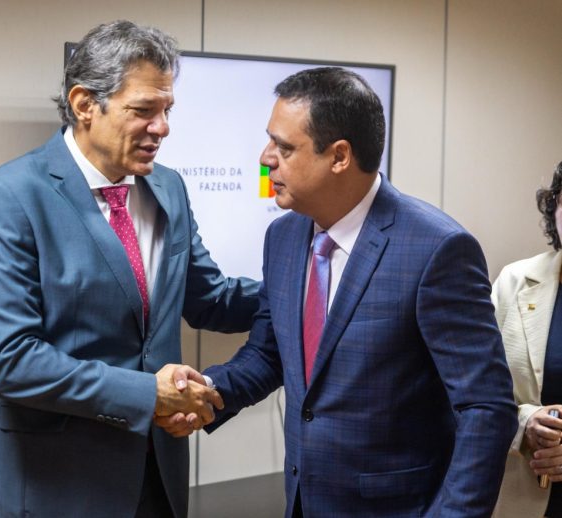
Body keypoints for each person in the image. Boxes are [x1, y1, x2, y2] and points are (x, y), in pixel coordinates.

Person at [159, 67, 517, 517]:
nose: (266, 158)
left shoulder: (437, 249)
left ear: (340, 156)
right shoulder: (283, 237)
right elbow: (268, 354)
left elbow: (485, 407)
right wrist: (208, 390)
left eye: (284, 147)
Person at [0, 20, 259, 518]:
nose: (162, 127)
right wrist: (146, 395)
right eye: (144, 110)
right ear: (84, 104)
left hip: (155, 476)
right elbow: (9, 360)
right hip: (52, 484)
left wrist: (305, 286)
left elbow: (210, 299)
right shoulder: (8, 197)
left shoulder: (168, 188)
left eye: (167, 110)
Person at [492, 162, 562, 518]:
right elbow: (474, 389)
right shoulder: (514, 282)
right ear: (555, 208)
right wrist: (525, 423)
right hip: (521, 495)